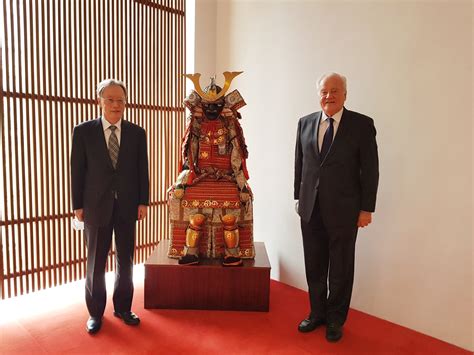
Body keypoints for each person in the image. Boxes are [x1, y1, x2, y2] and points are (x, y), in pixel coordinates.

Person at [294, 72, 379, 342]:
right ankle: (317, 313)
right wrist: (298, 197)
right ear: (318, 94)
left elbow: (371, 170)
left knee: (341, 267)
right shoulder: (305, 123)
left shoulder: (361, 125)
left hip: (345, 209)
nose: (328, 96)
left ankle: (335, 319)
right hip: (310, 208)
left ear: (345, 94)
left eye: (334, 90)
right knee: (314, 263)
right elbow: (300, 164)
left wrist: (366, 208)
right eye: (324, 91)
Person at [71, 79, 149, 334]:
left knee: (126, 260)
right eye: (110, 99)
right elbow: (77, 171)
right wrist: (77, 205)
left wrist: (143, 201)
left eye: (121, 100)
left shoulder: (138, 133)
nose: (116, 105)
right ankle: (95, 313)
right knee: (95, 262)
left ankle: (123, 307)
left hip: (127, 204)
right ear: (99, 100)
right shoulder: (83, 131)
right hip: (94, 206)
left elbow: (142, 171)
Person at [167, 73, 255, 266]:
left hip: (227, 179)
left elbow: (237, 159)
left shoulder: (232, 127)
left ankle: (232, 253)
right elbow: (188, 159)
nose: (212, 109)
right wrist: (181, 182)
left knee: (230, 218)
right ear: (201, 106)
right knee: (195, 216)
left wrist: (242, 186)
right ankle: (191, 252)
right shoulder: (196, 126)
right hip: (200, 178)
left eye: (217, 105)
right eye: (208, 106)